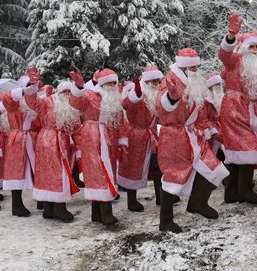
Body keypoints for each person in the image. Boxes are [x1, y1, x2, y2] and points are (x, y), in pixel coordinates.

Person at [156, 48, 229, 233]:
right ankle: (165, 220)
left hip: (193, 133)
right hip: (174, 136)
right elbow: (160, 107)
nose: (197, 69)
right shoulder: (170, 81)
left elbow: (200, 109)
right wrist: (170, 98)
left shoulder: (193, 82)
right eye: (193, 67)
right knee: (173, 176)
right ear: (185, 67)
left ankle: (198, 203)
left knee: (215, 167)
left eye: (198, 66)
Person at [69, 68, 128, 226]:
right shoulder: (89, 95)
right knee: (99, 172)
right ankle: (106, 212)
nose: (112, 85)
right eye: (109, 82)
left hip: (109, 138)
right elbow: (76, 103)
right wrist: (79, 88)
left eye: (114, 82)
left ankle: (97, 213)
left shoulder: (115, 98)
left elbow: (120, 120)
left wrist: (122, 140)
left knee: (105, 170)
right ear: (102, 83)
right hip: (92, 135)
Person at [218, 14, 257, 204]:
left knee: (237, 151)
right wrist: (231, 35)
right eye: (250, 47)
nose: (254, 50)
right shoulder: (235, 61)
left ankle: (231, 191)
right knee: (246, 147)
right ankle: (244, 189)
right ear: (243, 49)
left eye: (256, 47)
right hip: (235, 109)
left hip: (250, 110)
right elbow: (224, 54)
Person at [25, 67, 81, 222]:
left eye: (70, 93)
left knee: (57, 173)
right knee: (56, 174)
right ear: (59, 92)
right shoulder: (48, 102)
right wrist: (32, 85)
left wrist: (79, 149)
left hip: (61, 142)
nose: (68, 95)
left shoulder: (72, 108)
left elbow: (77, 129)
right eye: (65, 92)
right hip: (47, 141)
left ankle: (50, 208)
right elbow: (32, 102)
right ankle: (58, 208)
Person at [119, 66, 164, 211]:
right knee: (133, 167)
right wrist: (136, 93)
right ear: (145, 81)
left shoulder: (156, 96)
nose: (155, 83)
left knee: (158, 166)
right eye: (152, 80)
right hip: (136, 137)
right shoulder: (137, 96)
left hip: (152, 135)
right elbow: (126, 104)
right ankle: (131, 201)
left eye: (157, 80)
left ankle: (160, 196)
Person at [1, 74, 40, 217]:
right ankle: (16, 205)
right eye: (28, 86)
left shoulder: (34, 103)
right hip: (17, 140)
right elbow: (6, 98)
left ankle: (41, 198)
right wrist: (25, 90)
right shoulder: (14, 102)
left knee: (37, 169)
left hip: (33, 138)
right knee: (16, 171)